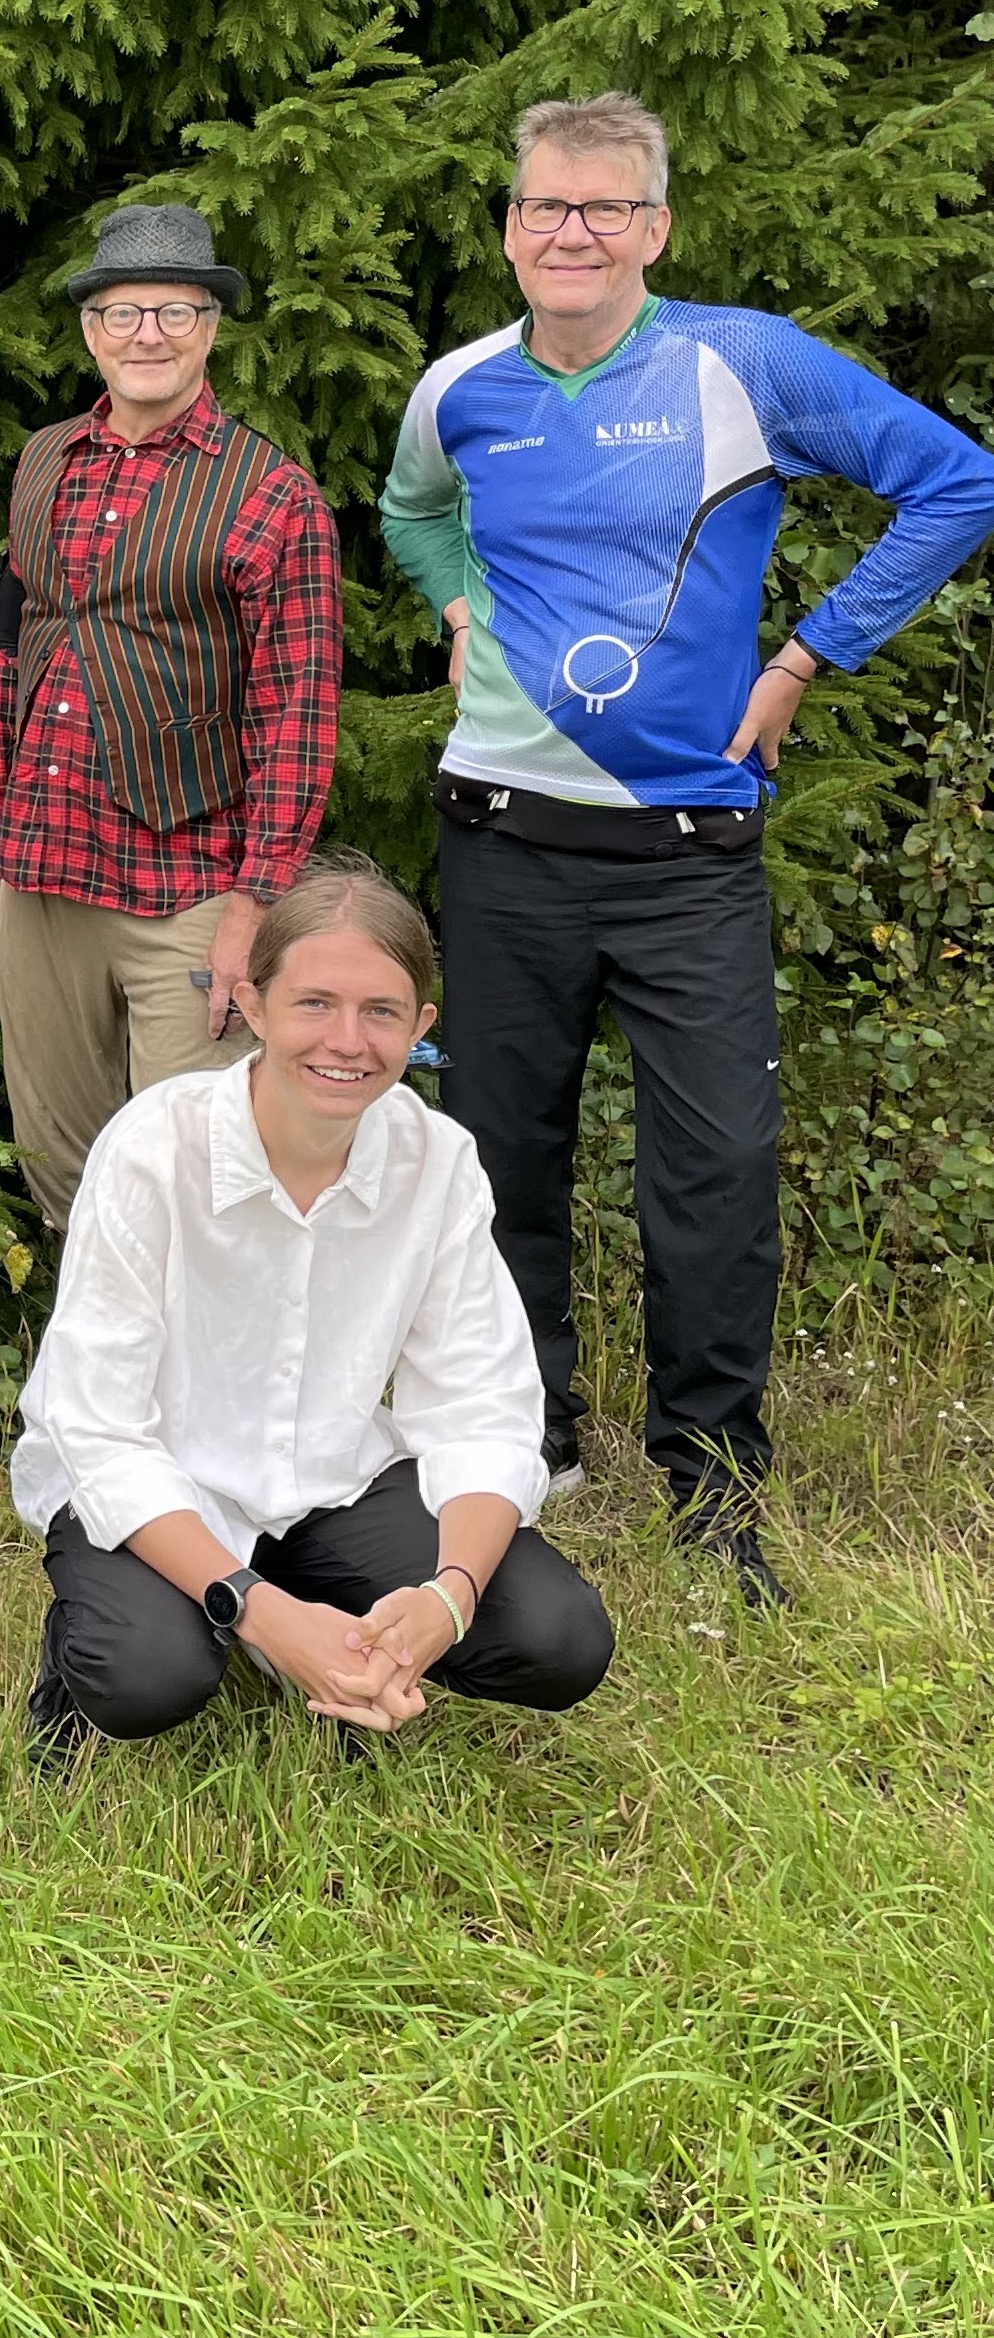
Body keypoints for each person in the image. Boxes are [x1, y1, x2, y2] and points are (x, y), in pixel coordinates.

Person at [381, 93, 994, 1602]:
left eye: (602, 209)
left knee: (713, 1171)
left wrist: (803, 663)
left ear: (653, 227)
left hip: (687, 852)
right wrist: (457, 601)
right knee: (497, 1159)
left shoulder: (745, 364)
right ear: (511, 227)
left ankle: (713, 1484)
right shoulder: (458, 385)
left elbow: (956, 481)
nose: (569, 233)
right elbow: (412, 514)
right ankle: (526, 1454)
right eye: (543, 208)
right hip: (502, 838)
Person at [15, 851, 615, 1753]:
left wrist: (442, 1602)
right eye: (314, 1004)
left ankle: (333, 1628)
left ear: (420, 1024)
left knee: (557, 1638)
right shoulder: (153, 1148)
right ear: (252, 1007)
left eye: (380, 1012)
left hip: (331, 1485)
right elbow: (99, 1433)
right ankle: (125, 1645)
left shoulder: (438, 1160)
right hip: (162, 1486)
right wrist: (264, 1617)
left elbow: (483, 1409)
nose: (347, 1041)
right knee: (148, 1673)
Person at [0, 203, 341, 1230]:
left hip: (185, 888)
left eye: (175, 312)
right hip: (43, 873)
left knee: (194, 1176)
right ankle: (93, 1385)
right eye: (125, 311)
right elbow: (14, 646)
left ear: (210, 327)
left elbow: (298, 718)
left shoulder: (273, 496)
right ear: (91, 327)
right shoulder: (44, 460)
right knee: (60, 1168)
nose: (149, 336)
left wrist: (255, 905)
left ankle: (213, 1390)